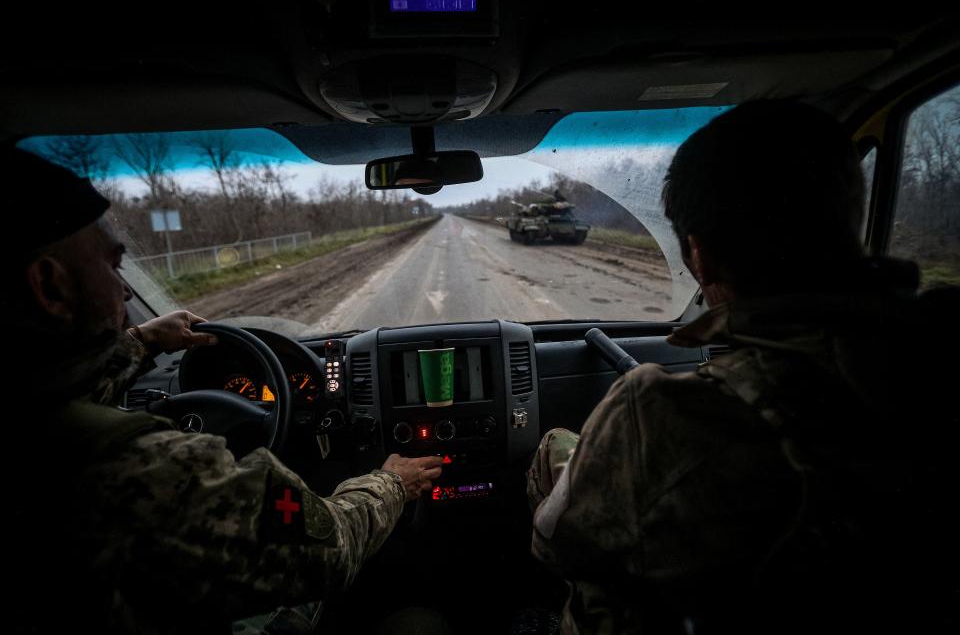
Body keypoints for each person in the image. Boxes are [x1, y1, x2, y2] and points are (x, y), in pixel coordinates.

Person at [527, 100, 955, 633]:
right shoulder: (941, 348)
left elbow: (555, 546)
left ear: (699, 257)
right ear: (850, 216)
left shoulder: (658, 412)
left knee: (556, 458)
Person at [3, 147, 444, 633]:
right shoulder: (150, 469)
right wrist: (392, 484)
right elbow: (330, 549)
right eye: (112, 267)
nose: (126, 292)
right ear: (48, 286)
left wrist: (143, 341)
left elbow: (63, 389)